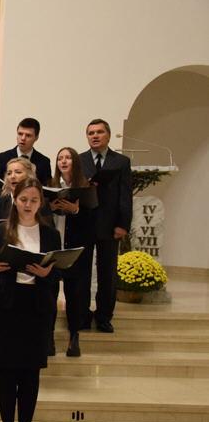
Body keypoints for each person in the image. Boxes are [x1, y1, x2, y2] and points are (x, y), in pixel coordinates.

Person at [0, 179, 61, 422]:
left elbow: (59, 269)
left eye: (34, 200)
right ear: (15, 200)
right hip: (7, 305)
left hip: (37, 306)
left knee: (31, 372)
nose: (28, 205)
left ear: (41, 203)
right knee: (7, 370)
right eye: (23, 200)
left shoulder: (50, 234)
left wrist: (48, 273)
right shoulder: (0, 230)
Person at [79, 119, 133, 334]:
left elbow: (125, 195)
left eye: (99, 132)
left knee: (107, 273)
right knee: (82, 273)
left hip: (110, 225)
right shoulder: (80, 159)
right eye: (91, 132)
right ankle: (82, 315)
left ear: (108, 135)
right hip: (84, 223)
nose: (95, 136)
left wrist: (123, 224)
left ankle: (104, 317)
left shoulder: (121, 161)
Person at [51, 147, 96, 356]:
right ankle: (48, 338)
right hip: (54, 246)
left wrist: (76, 210)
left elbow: (93, 222)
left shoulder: (86, 187)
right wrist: (49, 208)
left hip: (75, 248)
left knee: (75, 293)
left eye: (68, 158)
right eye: (60, 158)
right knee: (50, 293)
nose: (63, 161)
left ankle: (74, 337)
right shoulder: (51, 185)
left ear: (75, 162)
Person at [0, 118, 52, 183]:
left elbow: (45, 187)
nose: (23, 138)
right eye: (20, 134)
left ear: (36, 138)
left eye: (28, 135)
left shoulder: (44, 162)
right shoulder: (2, 158)